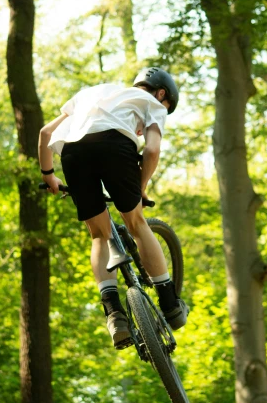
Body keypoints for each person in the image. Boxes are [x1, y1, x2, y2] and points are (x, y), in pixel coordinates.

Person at [38, 67, 188, 349]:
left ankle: (115, 315)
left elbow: (46, 133)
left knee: (99, 234)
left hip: (73, 153)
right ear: (161, 93)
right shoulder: (152, 103)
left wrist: (49, 175)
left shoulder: (92, 93)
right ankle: (170, 304)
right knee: (136, 223)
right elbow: (152, 150)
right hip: (114, 146)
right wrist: (141, 188)